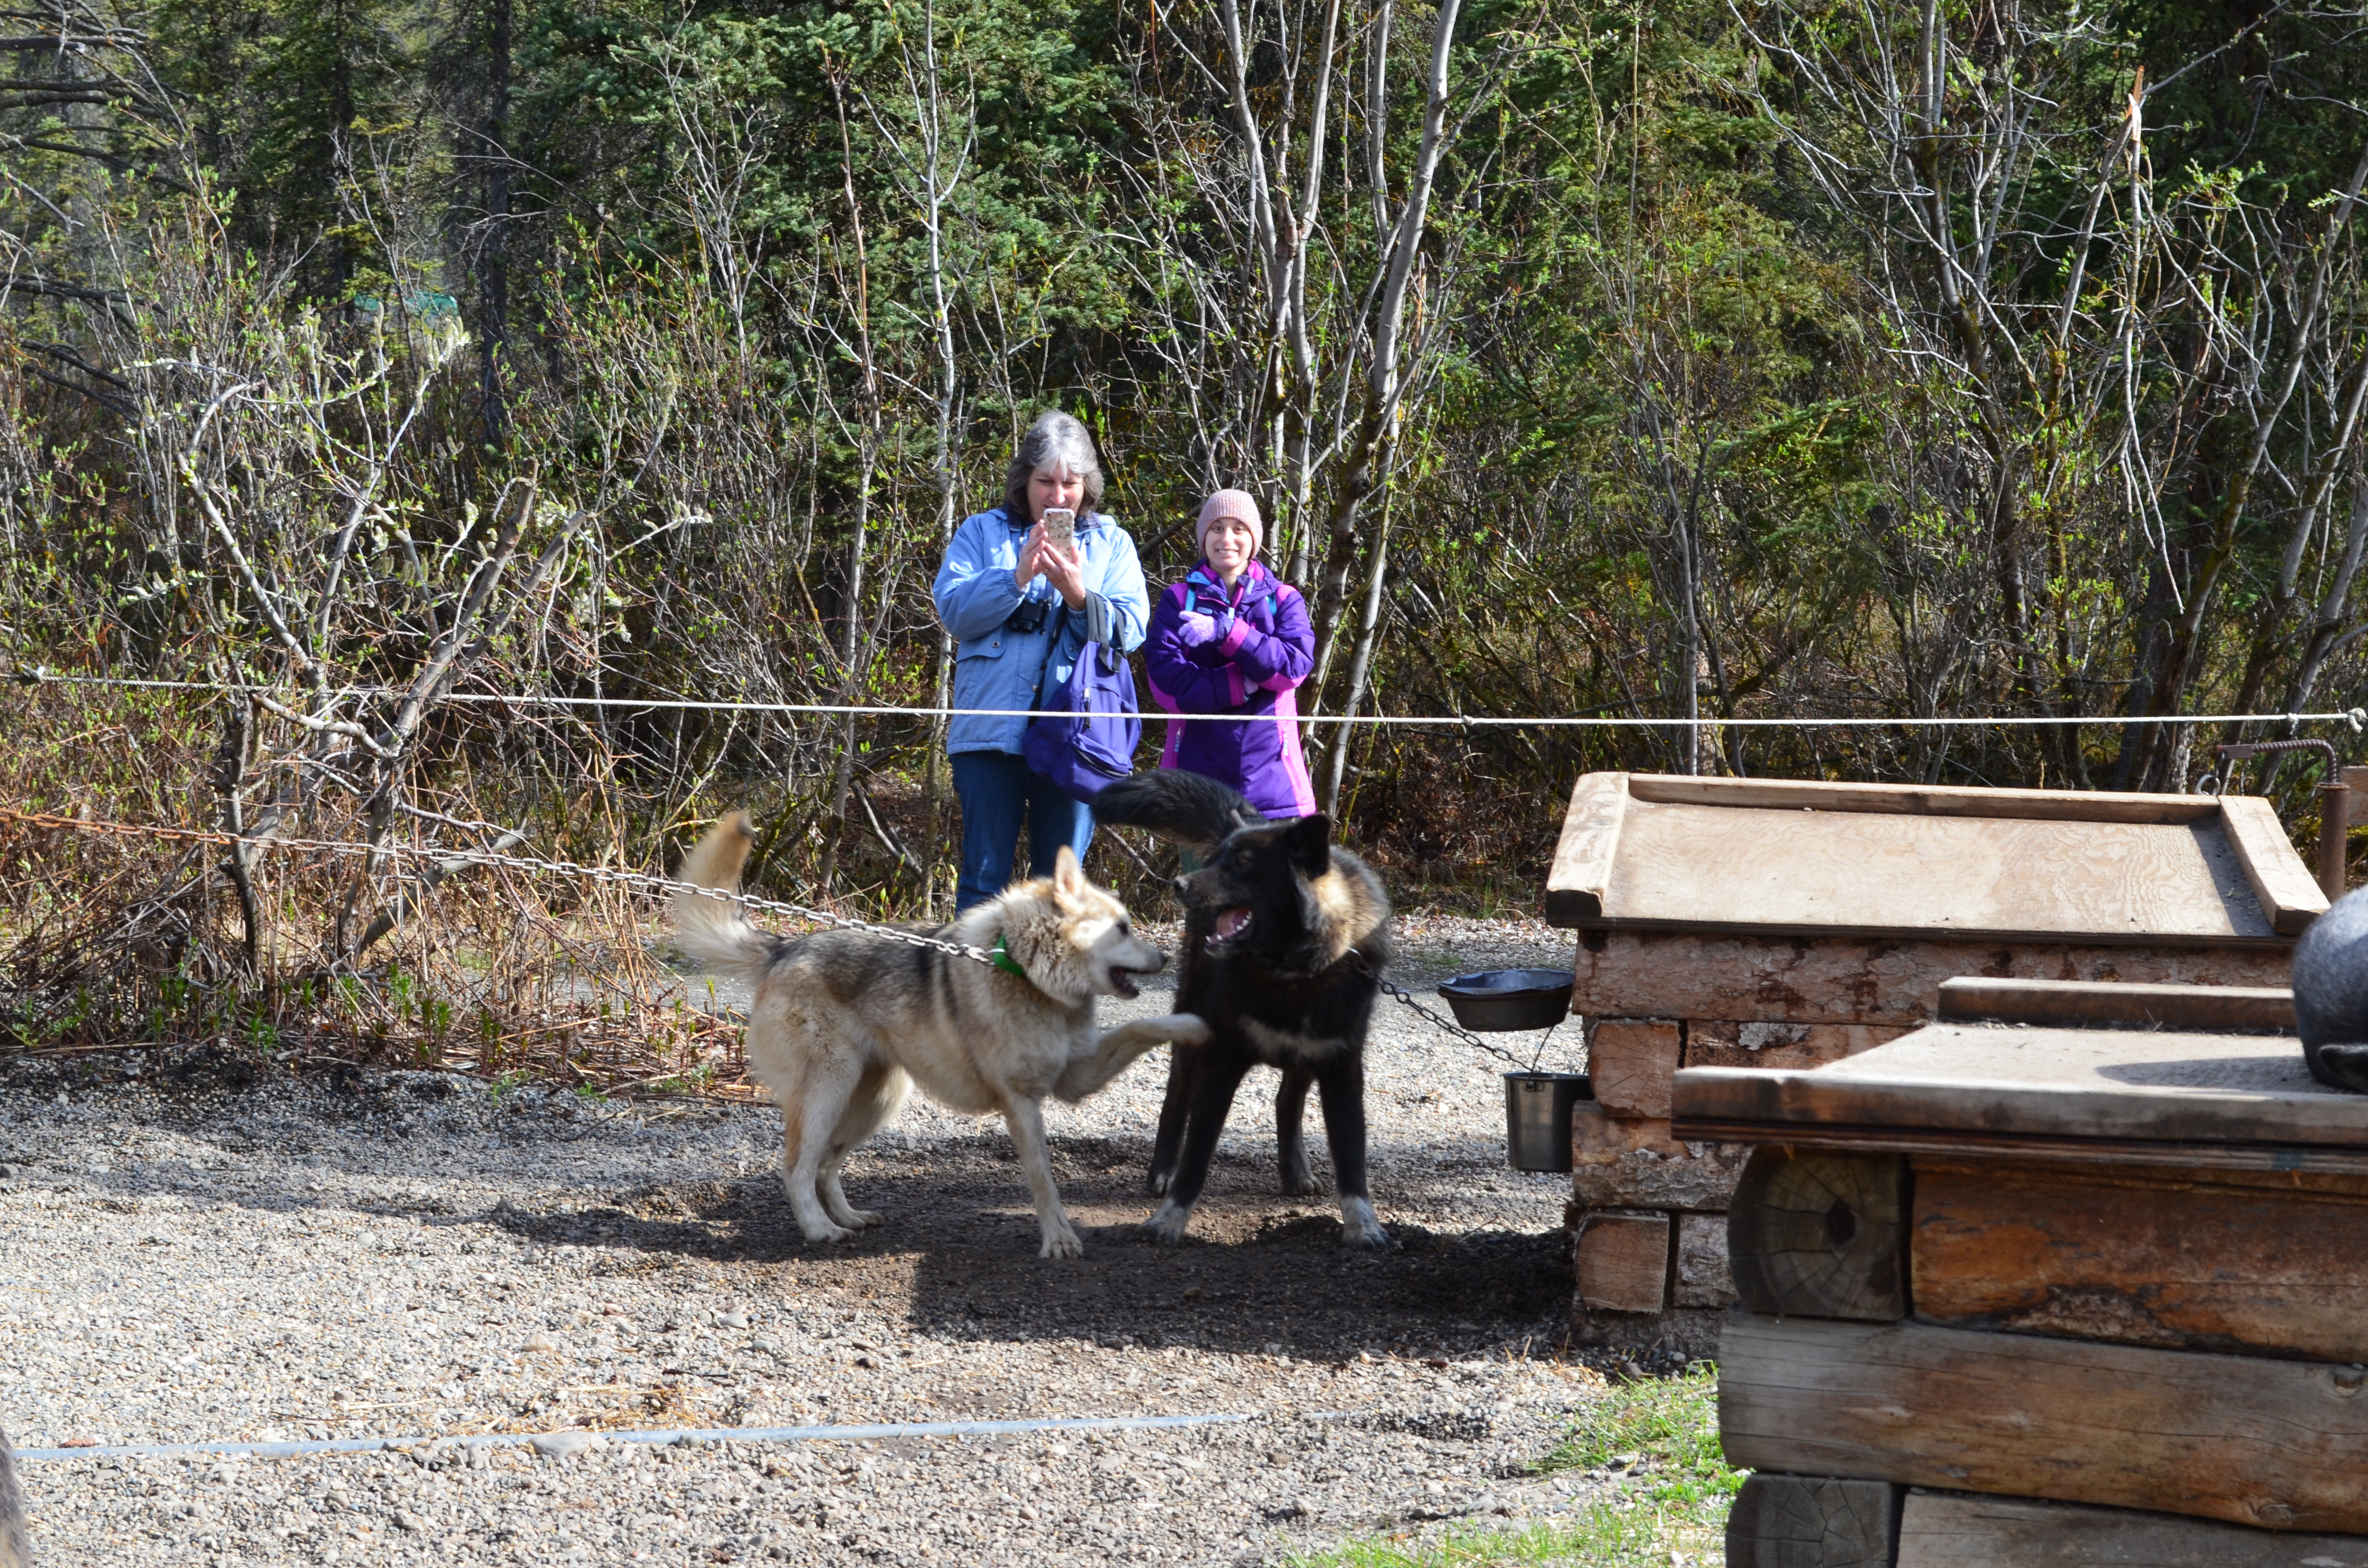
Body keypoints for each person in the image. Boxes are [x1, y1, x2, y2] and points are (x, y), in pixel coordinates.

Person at [933, 411, 1150, 911]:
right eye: (1045, 482)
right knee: (983, 883)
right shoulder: (980, 532)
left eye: (1069, 484)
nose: (1057, 497)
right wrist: (1015, 577)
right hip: (989, 734)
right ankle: (974, 988)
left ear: (1087, 486)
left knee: (1060, 893)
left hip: (1077, 738)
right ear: (1023, 481)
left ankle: (1042, 990)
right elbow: (955, 613)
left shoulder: (1112, 542)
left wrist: (1079, 596)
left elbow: (1130, 632)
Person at [1143, 489, 1317, 820]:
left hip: (1275, 787)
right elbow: (1166, 683)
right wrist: (1239, 685)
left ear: (1254, 539)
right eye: (1217, 527)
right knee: (1201, 875)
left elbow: (1293, 668)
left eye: (1239, 528)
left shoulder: (1284, 599)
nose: (1228, 538)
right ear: (1204, 536)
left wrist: (1229, 633)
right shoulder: (1177, 600)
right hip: (1195, 787)